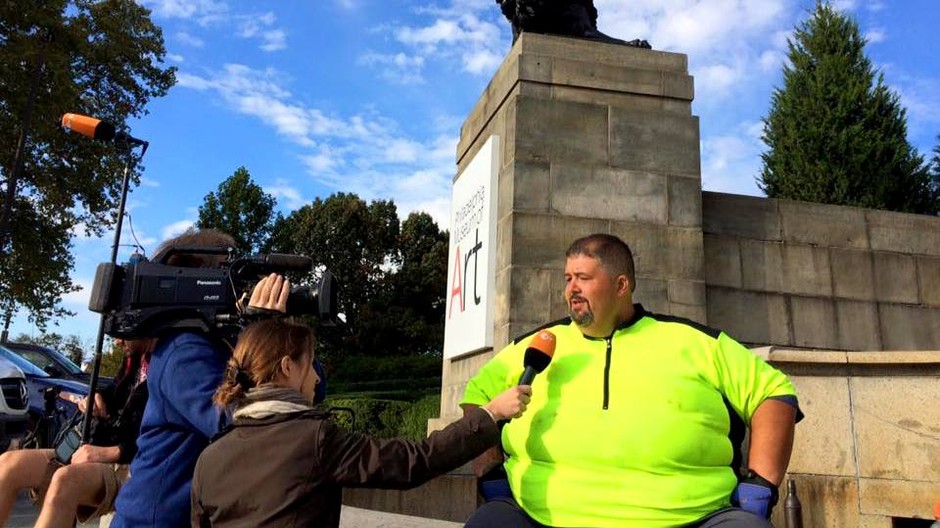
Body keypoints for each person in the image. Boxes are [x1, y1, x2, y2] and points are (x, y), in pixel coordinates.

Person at [461, 233, 802, 528]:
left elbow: (773, 392)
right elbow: (478, 394)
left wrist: (759, 487)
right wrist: (491, 474)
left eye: (583, 278)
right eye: (567, 278)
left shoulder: (696, 342)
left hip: (691, 517)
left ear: (621, 285)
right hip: (539, 517)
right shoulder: (536, 344)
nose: (571, 289)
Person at [190, 316, 532, 527]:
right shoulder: (313, 439)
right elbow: (416, 460)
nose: (317, 379)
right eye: (312, 364)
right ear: (287, 367)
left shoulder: (208, 458)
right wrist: (491, 414)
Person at [110, 229, 238, 528]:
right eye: (223, 274)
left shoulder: (200, 343)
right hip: (156, 520)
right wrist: (262, 335)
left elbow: (310, 384)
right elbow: (235, 421)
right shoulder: (184, 350)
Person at [0, 337, 155, 528]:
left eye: (122, 333)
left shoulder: (170, 364)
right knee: (8, 464)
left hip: (131, 465)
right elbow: (114, 392)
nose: (116, 341)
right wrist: (96, 399)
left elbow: (168, 434)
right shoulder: (134, 360)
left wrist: (114, 451)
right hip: (95, 451)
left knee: (65, 481)